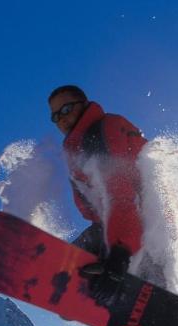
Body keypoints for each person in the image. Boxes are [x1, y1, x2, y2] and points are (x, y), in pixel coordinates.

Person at [48, 85, 149, 305]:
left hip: (143, 225)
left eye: (65, 110)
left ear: (83, 104)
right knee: (67, 269)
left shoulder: (99, 134)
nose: (61, 120)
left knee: (155, 293)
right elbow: (98, 211)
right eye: (55, 116)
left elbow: (121, 196)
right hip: (121, 226)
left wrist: (119, 254)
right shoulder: (78, 149)